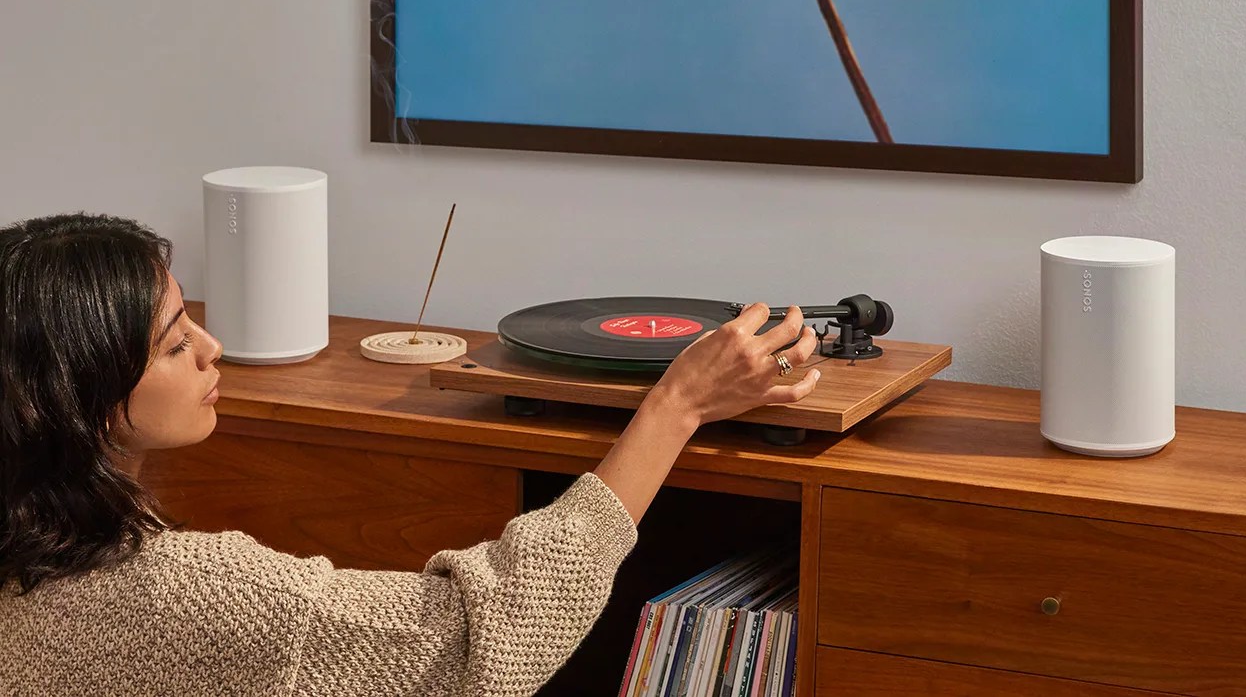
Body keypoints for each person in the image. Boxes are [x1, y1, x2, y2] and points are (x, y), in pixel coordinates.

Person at [0, 213, 821, 696]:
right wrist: (679, 403)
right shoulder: (193, 593)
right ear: (84, 398)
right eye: (176, 343)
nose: (213, 348)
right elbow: (486, 633)